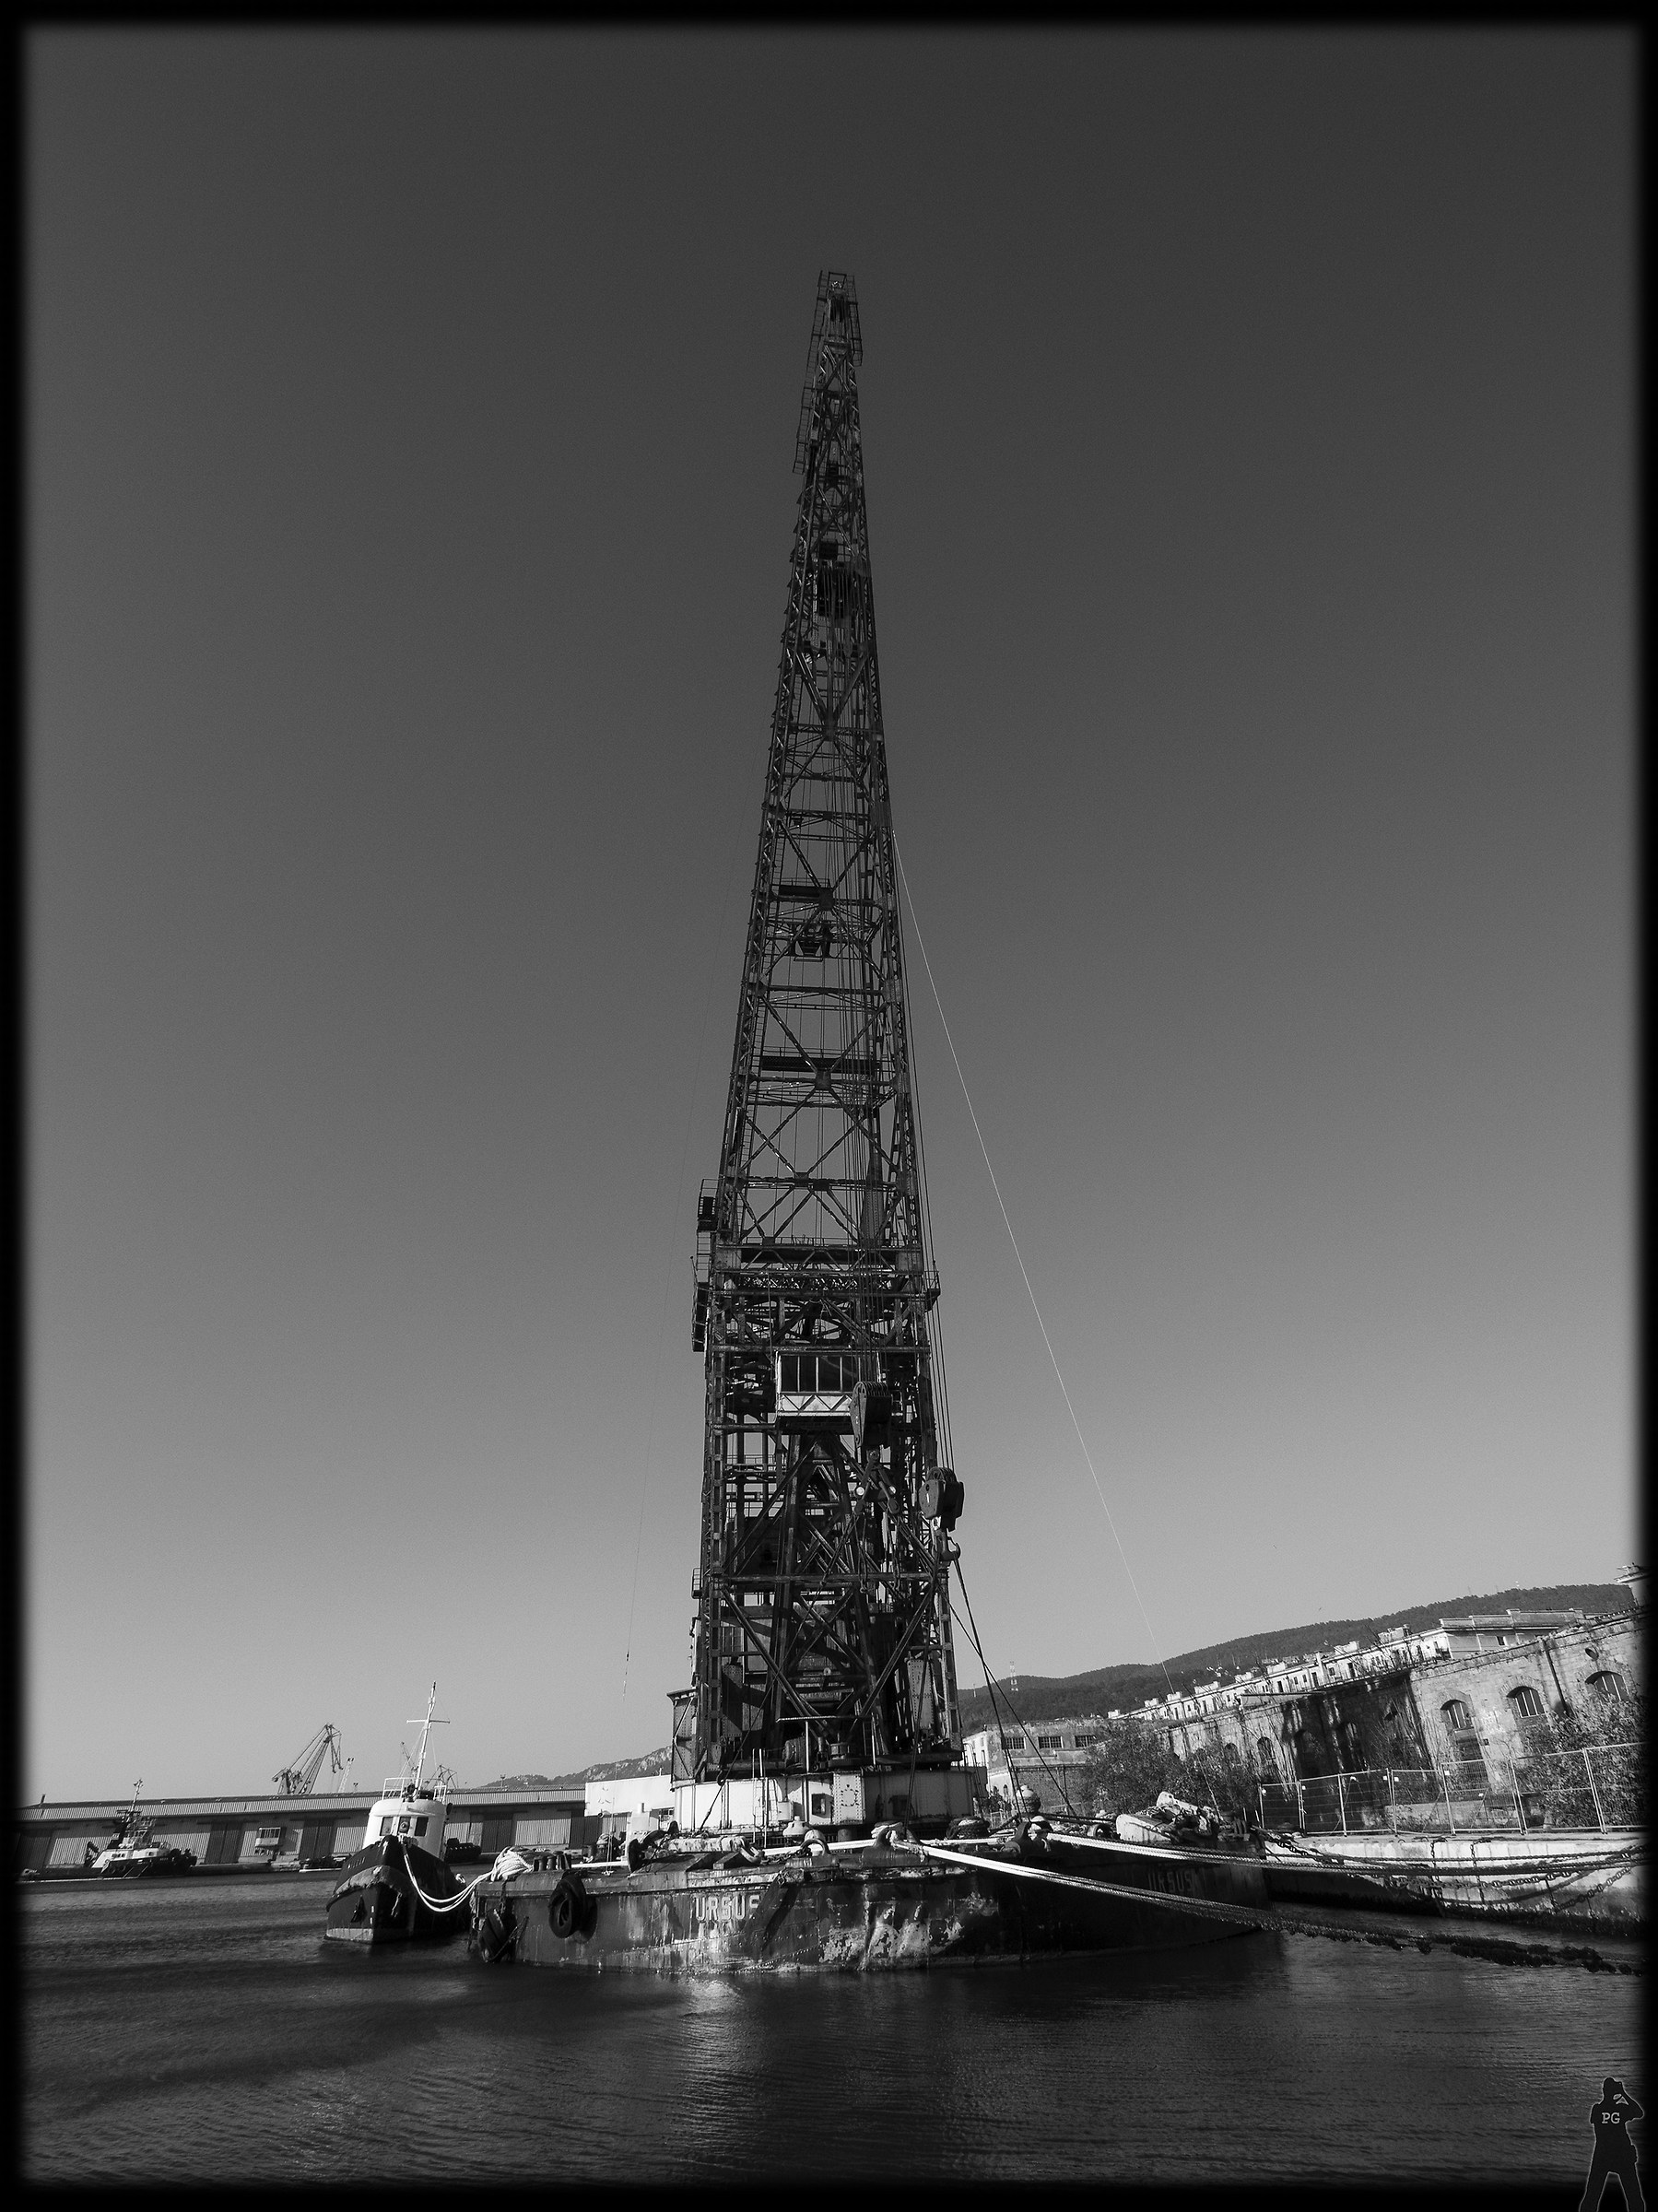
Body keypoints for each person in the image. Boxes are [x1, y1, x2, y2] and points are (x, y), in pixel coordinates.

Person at [1582, 2077, 1643, 2212]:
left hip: (1602, 2155)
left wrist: (1614, 2097)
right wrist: (1624, 2093)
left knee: (1591, 2197)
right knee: (1634, 2199)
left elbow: (1601, 2118)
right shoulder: (1621, 2109)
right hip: (1621, 2155)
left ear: (1604, 2091)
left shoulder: (1597, 2109)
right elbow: (1638, 2112)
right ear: (1613, 2091)